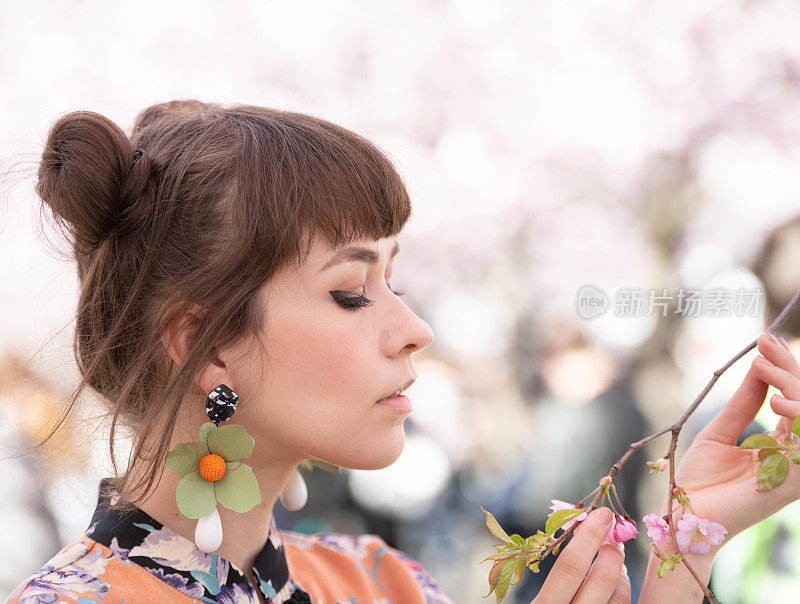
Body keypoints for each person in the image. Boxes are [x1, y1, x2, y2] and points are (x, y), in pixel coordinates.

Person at [5, 101, 800, 604]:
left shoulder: (380, 581)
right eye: (353, 293)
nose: (415, 327)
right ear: (202, 343)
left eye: (398, 282)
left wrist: (685, 539)